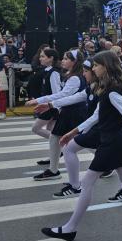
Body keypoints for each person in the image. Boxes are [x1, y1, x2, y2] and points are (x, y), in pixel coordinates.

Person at [41, 51, 122, 241]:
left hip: (112, 142)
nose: (93, 69)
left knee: (87, 183)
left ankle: (70, 228)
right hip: (113, 139)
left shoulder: (112, 91)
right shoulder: (105, 88)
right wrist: (74, 132)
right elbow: (96, 116)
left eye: (96, 65)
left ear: (106, 67)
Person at [34, 59, 122, 199]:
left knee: (71, 149)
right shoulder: (93, 87)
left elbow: (102, 115)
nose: (84, 74)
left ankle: (76, 186)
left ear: (95, 72)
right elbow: (75, 97)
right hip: (99, 129)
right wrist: (50, 104)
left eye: (87, 71)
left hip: (103, 129)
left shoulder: (106, 89)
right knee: (119, 164)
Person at [27, 49, 87, 181]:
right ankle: (53, 170)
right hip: (68, 111)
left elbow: (62, 94)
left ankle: (55, 171)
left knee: (84, 140)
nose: (63, 61)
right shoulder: (71, 75)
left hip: (74, 112)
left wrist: (40, 101)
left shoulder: (75, 77)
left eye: (66, 59)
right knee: (55, 138)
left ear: (74, 62)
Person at [29, 48, 61, 165]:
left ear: (51, 58)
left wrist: (51, 105)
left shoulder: (54, 73)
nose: (40, 58)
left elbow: (57, 93)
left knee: (36, 128)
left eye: (43, 56)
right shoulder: (47, 71)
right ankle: (54, 155)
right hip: (48, 105)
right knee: (51, 131)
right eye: (40, 56)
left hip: (50, 106)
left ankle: (62, 146)